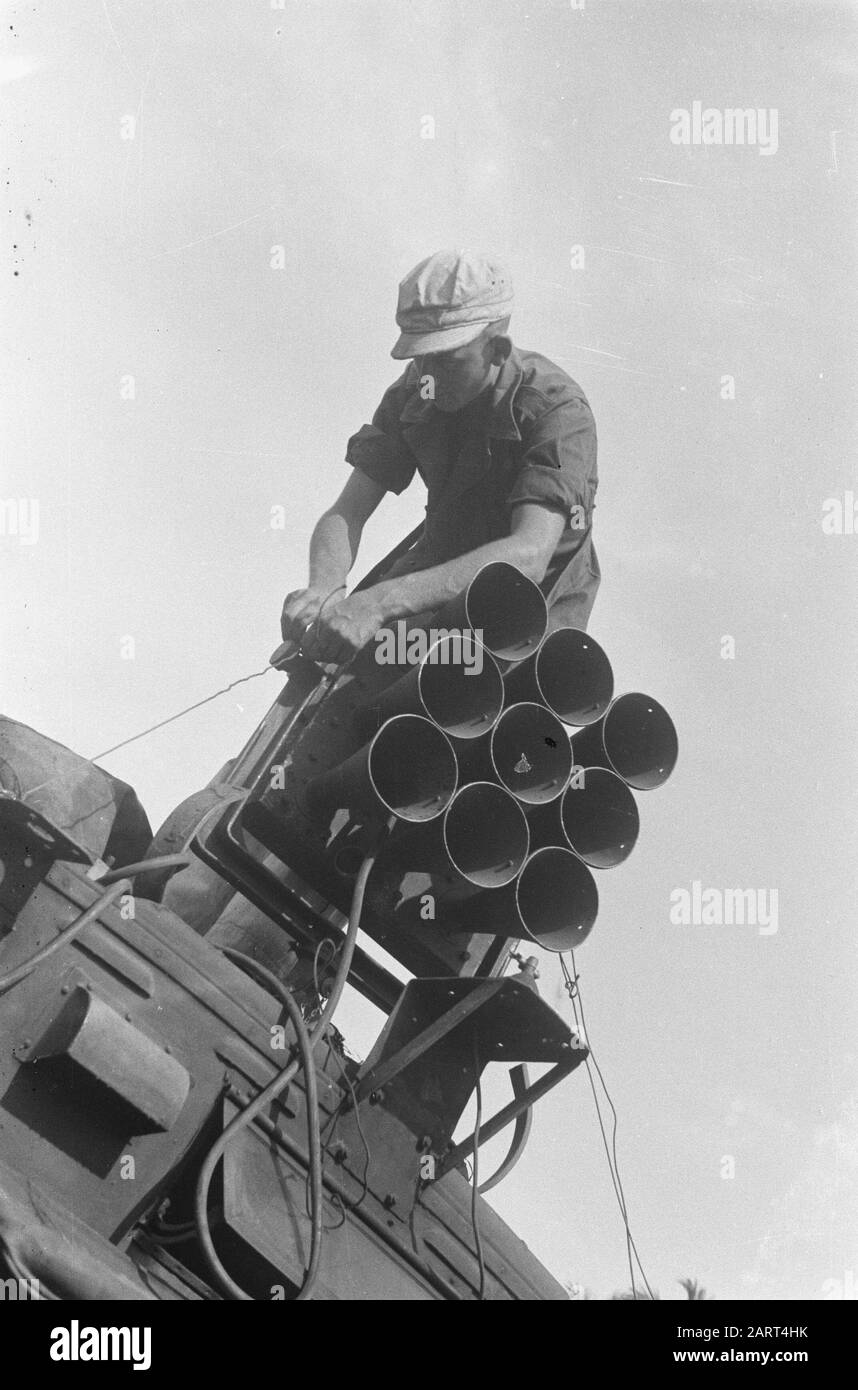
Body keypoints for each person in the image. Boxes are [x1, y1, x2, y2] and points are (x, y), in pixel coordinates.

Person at [281, 249, 601, 666]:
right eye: (420, 358)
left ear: (498, 351)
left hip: (526, 612)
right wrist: (323, 588)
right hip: (437, 580)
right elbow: (349, 509)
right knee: (334, 672)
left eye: (445, 360)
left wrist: (379, 603)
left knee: (464, 709)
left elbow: (529, 554)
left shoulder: (558, 411)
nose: (427, 376)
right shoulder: (416, 391)